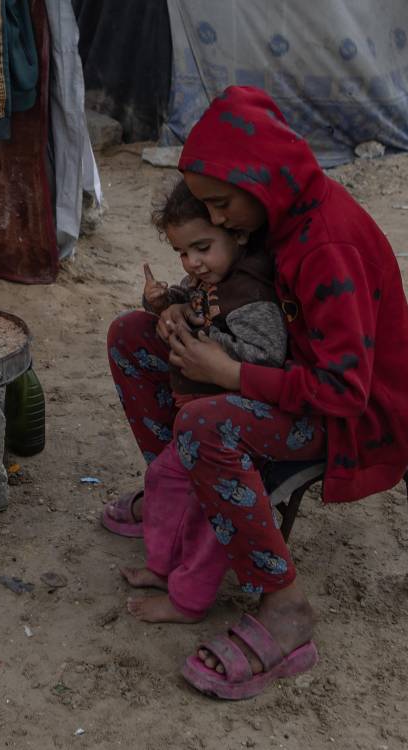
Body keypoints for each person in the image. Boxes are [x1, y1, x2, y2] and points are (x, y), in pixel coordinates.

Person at [153, 87, 408, 699]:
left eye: (221, 206)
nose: (217, 222)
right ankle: (174, 495)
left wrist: (230, 376)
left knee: (207, 425)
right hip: (285, 374)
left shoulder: (326, 245)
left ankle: (285, 607)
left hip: (354, 422)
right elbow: (242, 301)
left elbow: (344, 392)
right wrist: (177, 312)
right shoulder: (280, 216)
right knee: (135, 337)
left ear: (261, 180)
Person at [103, 181, 287, 625]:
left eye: (202, 248)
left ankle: (188, 599)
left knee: (209, 509)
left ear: (237, 234)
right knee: (163, 482)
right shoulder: (210, 278)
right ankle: (162, 565)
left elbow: (267, 357)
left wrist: (207, 345)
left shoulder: (250, 295)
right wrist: (165, 304)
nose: (192, 263)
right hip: (194, 425)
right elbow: (193, 302)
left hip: (230, 428)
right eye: (183, 253)